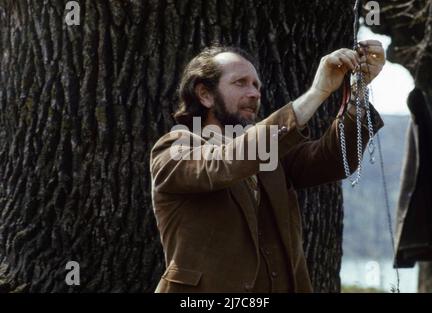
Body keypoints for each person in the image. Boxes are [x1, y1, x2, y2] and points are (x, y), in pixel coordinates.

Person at [150, 41, 386, 293]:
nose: (254, 93)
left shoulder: (270, 152)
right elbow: (224, 163)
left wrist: (358, 94)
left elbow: (333, 160)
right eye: (240, 82)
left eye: (256, 85)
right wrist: (318, 91)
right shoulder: (174, 149)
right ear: (205, 94)